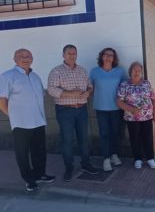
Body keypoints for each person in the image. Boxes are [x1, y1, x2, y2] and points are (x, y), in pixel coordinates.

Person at [0, 49, 55, 191]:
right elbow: (2, 100)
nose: (25, 58)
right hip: (21, 123)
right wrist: (13, 117)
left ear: (32, 58)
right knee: (22, 153)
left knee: (39, 150)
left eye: (28, 56)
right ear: (14, 59)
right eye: (21, 56)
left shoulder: (35, 76)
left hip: (38, 121)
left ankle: (40, 174)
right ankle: (29, 180)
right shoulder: (7, 76)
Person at [48, 44, 99, 182]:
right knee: (67, 140)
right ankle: (69, 167)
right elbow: (51, 90)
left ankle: (86, 164)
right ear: (63, 55)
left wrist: (88, 91)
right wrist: (70, 93)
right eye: (69, 53)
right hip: (65, 111)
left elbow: (90, 85)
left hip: (81, 109)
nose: (72, 56)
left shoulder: (82, 70)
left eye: (74, 53)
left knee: (83, 138)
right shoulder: (56, 71)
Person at [90, 48, 126, 171]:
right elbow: (90, 88)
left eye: (111, 55)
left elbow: (125, 88)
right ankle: (106, 159)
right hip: (101, 108)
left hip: (116, 108)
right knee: (104, 134)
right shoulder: (94, 72)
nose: (108, 57)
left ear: (114, 58)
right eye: (106, 55)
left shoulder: (120, 71)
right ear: (101, 56)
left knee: (115, 133)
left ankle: (114, 155)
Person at [117, 61, 155, 169]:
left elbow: (153, 98)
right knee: (134, 138)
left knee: (148, 138)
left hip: (147, 116)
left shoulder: (146, 83)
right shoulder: (124, 84)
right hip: (131, 117)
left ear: (142, 72)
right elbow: (119, 101)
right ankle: (138, 159)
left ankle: (150, 159)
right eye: (134, 70)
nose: (137, 72)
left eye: (139, 70)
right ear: (130, 71)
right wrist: (131, 109)